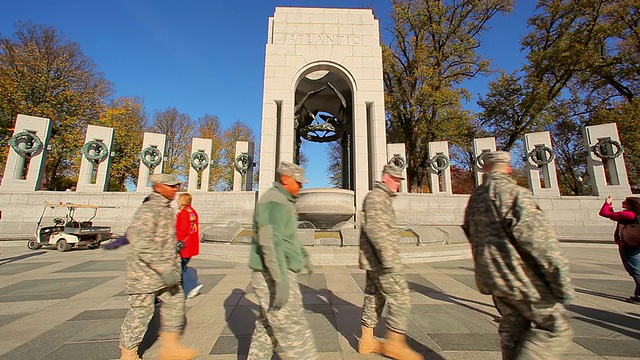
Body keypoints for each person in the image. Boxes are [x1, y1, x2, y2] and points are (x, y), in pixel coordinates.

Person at [463, 151, 574, 360]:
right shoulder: (515, 194)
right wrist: (561, 282)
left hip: (494, 279)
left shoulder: (475, 199)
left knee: (513, 329)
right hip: (523, 279)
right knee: (556, 328)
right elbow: (540, 244)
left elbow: (471, 234)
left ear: (485, 168)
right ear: (509, 168)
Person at [118, 173, 197, 360]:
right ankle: (128, 353)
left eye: (176, 185)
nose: (175, 189)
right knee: (141, 313)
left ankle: (170, 348)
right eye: (170, 186)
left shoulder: (167, 209)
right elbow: (141, 243)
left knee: (176, 304)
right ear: (158, 187)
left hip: (165, 274)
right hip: (144, 275)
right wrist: (165, 268)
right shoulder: (149, 209)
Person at [247, 161, 317, 360]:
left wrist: (303, 256)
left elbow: (288, 237)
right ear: (285, 179)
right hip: (273, 274)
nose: (301, 187)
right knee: (294, 330)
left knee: (268, 325)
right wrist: (281, 281)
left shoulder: (282, 201)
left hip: (277, 272)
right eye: (298, 182)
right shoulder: (274, 201)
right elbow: (269, 243)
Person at [358, 164, 422, 360]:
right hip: (382, 261)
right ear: (385, 178)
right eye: (395, 179)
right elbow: (377, 232)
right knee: (401, 297)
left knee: (374, 297)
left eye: (399, 180)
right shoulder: (377, 198)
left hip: (374, 260)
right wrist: (390, 261)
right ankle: (395, 343)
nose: (398, 184)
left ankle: (366, 341)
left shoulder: (380, 198)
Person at [598, 195, 640, 304]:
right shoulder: (632, 214)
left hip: (629, 245)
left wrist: (607, 203)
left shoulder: (629, 214)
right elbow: (613, 215)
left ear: (630, 205)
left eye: (625, 201)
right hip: (636, 243)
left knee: (635, 270)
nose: (623, 202)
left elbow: (604, 213)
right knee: (636, 268)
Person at [176, 192, 203, 299]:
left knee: (179, 270)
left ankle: (185, 292)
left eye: (179, 199)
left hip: (183, 246)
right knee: (183, 268)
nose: (177, 201)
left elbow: (182, 230)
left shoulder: (184, 213)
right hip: (190, 245)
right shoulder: (192, 212)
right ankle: (192, 286)